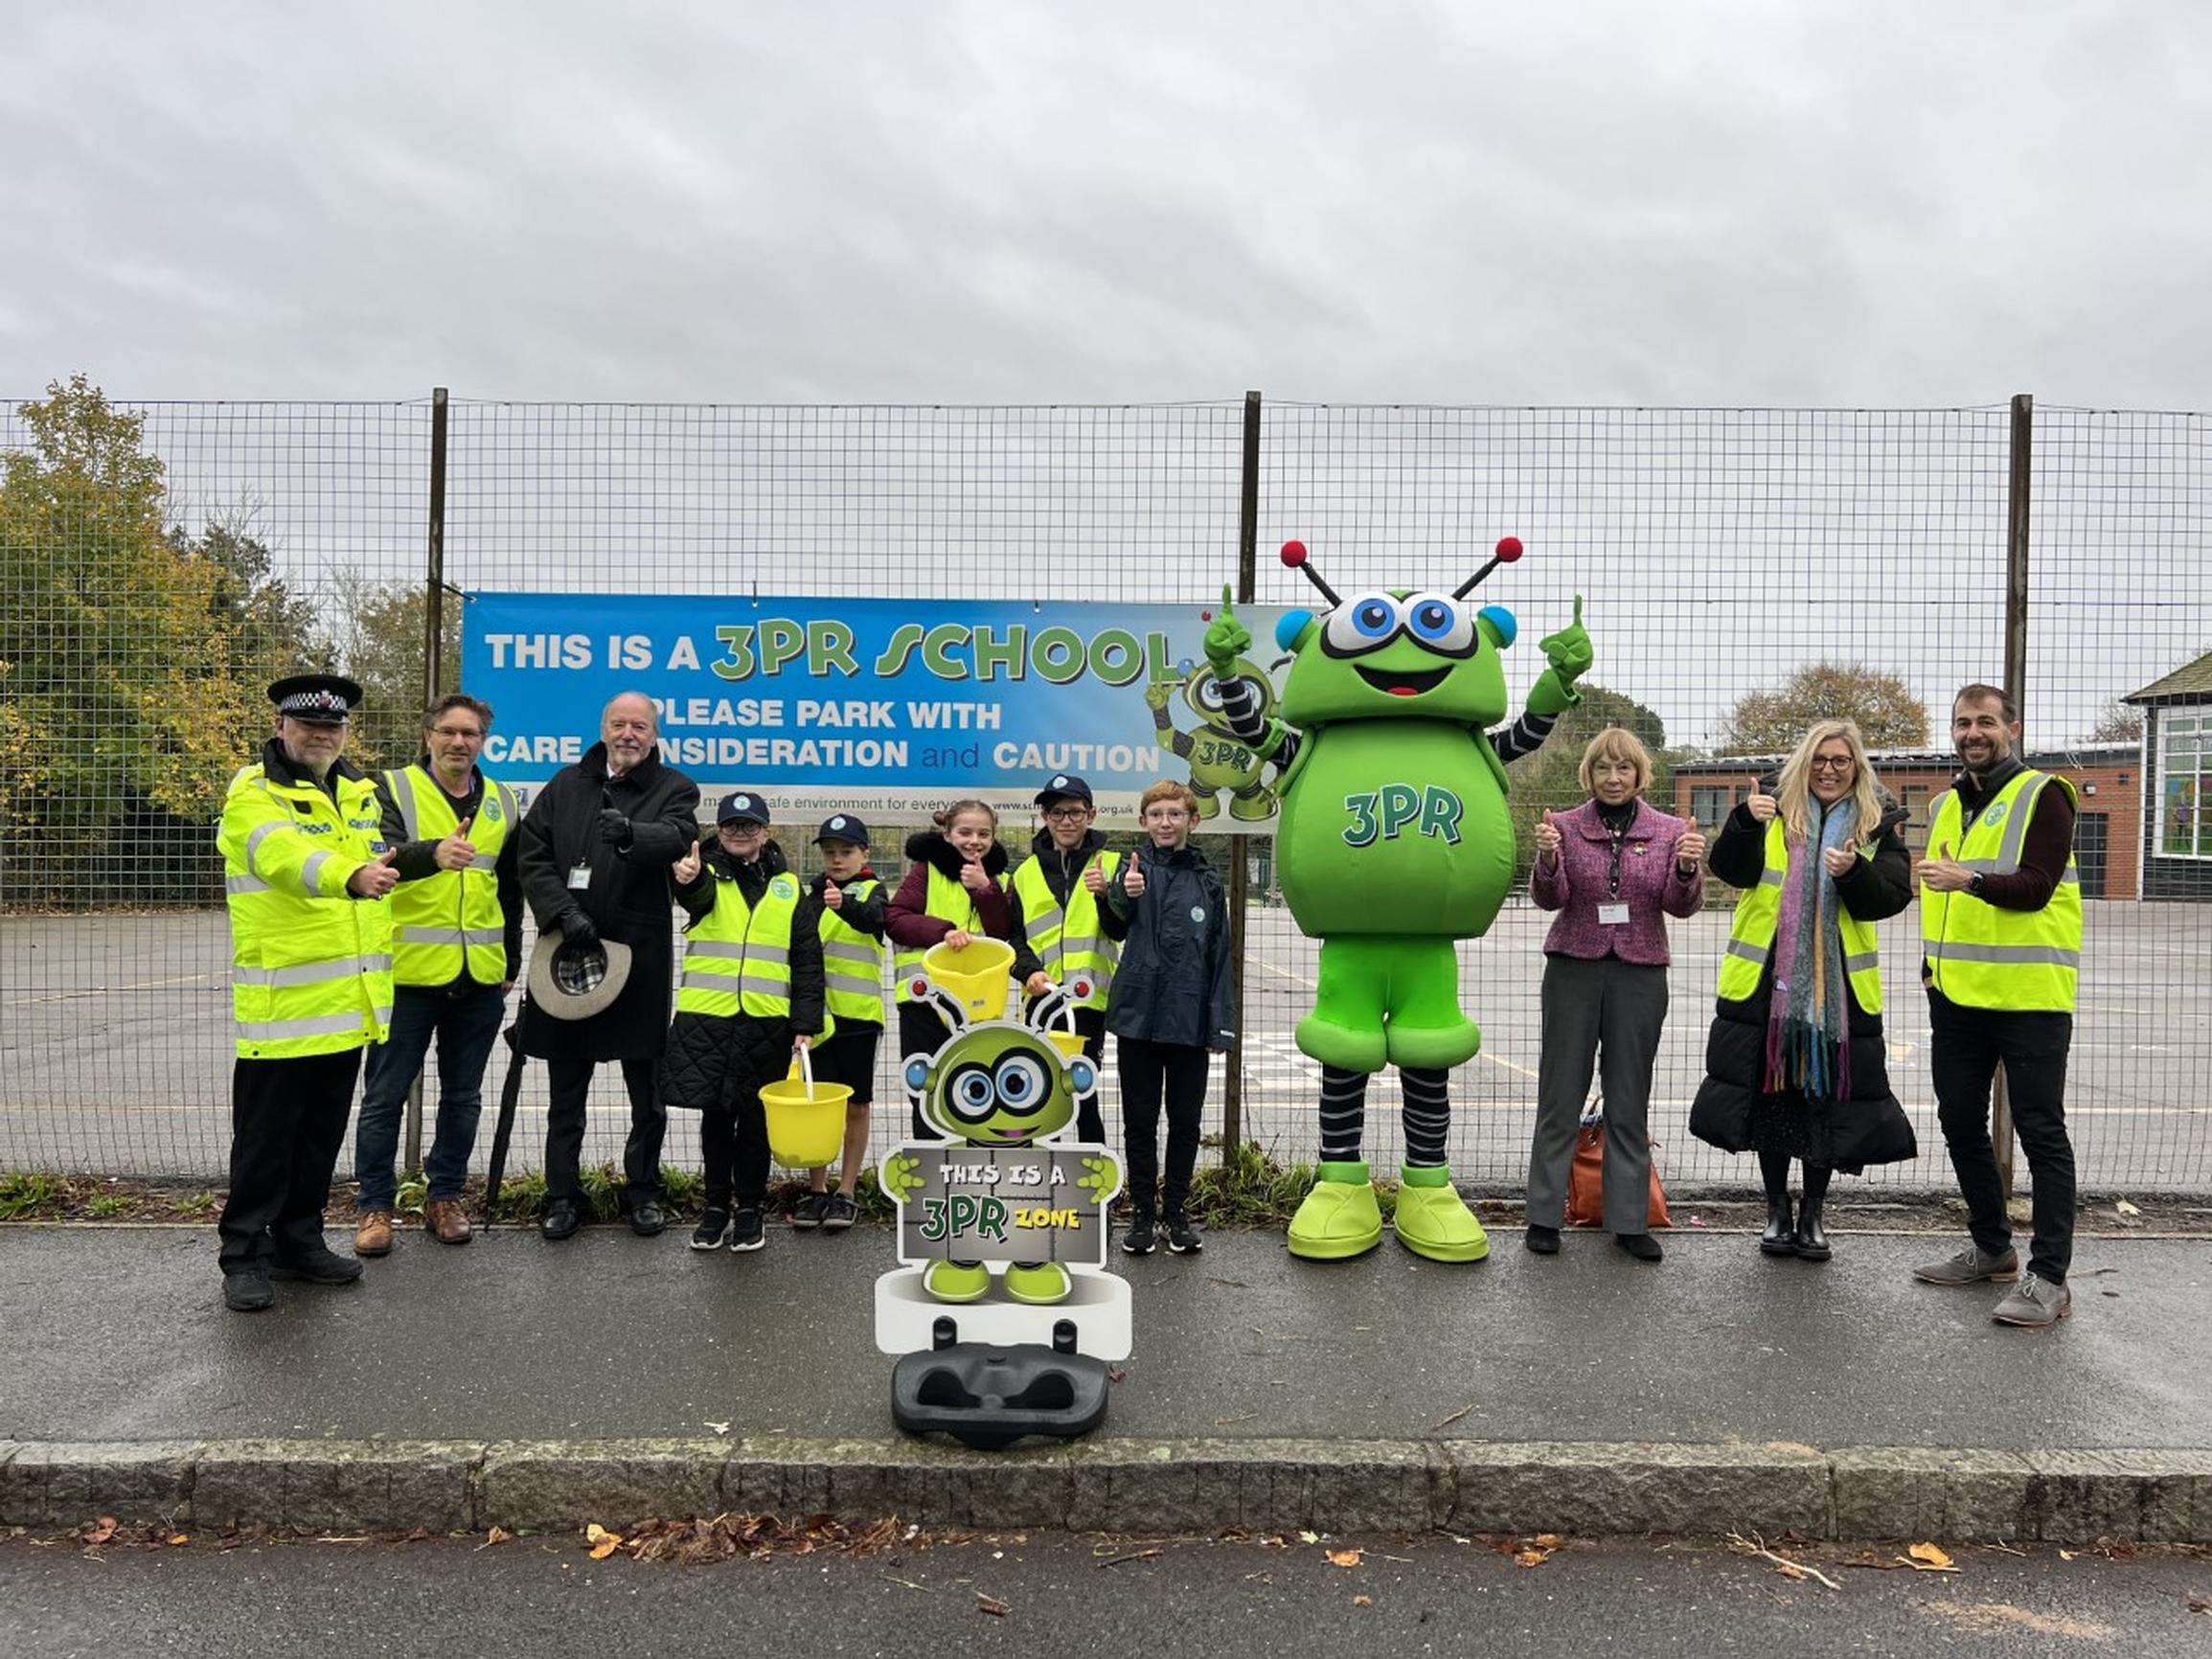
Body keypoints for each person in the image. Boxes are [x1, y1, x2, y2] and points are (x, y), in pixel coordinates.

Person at [1688, 721, 1917, 1261]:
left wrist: (1854, 873)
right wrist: (1744, 821)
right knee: (1773, 1101)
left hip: (1837, 994)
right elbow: (1730, 869)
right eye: (1819, 759)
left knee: (1822, 1103)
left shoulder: (1875, 823)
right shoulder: (1771, 811)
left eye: (1840, 760)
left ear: (1856, 767)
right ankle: (1775, 1212)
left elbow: (1890, 896)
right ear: (1803, 763)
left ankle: (1813, 1213)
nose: (1829, 769)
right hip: (1769, 986)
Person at [215, 673, 399, 1312]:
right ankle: (243, 1255)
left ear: (345, 731)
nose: (322, 734)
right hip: (283, 1011)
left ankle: (299, 1243)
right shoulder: (253, 794)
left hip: (347, 1008)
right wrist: (349, 875)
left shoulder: (358, 794)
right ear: (280, 728)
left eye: (333, 726)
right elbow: (282, 857)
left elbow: (380, 866)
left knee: (319, 1139)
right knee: (265, 1144)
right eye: (308, 725)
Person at [1912, 684, 2084, 1328]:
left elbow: (2037, 887)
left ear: (2012, 727)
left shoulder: (2044, 795)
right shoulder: (1946, 803)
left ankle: (2049, 1277)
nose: (1971, 732)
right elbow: (1938, 896)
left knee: (2040, 1132)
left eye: (1985, 721)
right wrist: (1929, 966)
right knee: (1958, 1119)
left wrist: (1971, 880)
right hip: (1956, 997)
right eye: (1961, 722)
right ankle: (1991, 1248)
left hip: (2029, 997)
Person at [515, 691, 699, 1241]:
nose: (628, 734)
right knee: (565, 1090)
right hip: (568, 952)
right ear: (602, 728)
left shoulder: (674, 787)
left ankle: (643, 1191)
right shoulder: (566, 785)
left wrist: (632, 836)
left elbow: (679, 837)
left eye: (639, 726)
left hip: (638, 959)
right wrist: (562, 912)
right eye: (619, 724)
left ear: (653, 734)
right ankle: (562, 1195)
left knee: (647, 1092)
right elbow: (532, 855)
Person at [352, 693, 523, 1255]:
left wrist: (511, 961)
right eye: (448, 732)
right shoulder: (390, 789)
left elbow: (511, 887)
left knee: (464, 1096)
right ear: (428, 735)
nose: (459, 743)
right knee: (384, 1096)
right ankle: (374, 1207)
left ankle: (444, 1196)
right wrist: (431, 854)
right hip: (407, 973)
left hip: (479, 976)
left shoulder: (501, 801)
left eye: (470, 734)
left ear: (483, 741)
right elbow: (376, 858)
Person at [1524, 728, 1704, 1262]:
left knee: (1629, 1097)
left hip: (1640, 973)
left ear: (1639, 774)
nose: (1613, 777)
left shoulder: (1671, 831)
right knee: (1561, 1094)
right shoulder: (1562, 827)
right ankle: (1542, 1215)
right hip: (1573, 970)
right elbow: (1548, 898)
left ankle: (1629, 1221)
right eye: (1603, 768)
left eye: (1623, 768)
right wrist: (1549, 861)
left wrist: (1689, 867)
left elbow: (1679, 905)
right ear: (1589, 774)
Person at [661, 792, 829, 1253]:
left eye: (749, 826)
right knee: (715, 1119)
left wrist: (805, 1022)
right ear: (718, 831)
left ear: (766, 832)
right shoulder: (705, 873)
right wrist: (688, 880)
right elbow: (693, 898)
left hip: (767, 1022)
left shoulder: (790, 888)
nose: (740, 833)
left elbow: (808, 962)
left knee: (756, 1123)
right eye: (731, 826)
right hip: (709, 1019)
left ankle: (751, 1209)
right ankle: (716, 1208)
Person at [1103, 780, 1237, 1255]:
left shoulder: (1208, 880)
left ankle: (1176, 1213)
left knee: (1185, 1122)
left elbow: (1220, 954)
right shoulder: (1130, 870)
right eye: (1156, 814)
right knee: (1140, 1121)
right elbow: (1114, 925)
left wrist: (1220, 1023)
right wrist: (1121, 893)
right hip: (1138, 1018)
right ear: (1143, 822)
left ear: (1192, 821)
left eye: (1174, 814)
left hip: (1188, 1021)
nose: (1165, 822)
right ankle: (1141, 1214)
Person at [884, 799, 1016, 1137]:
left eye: (984, 834)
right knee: (928, 1089)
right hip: (926, 1002)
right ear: (947, 835)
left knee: (975, 1091)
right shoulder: (925, 871)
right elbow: (896, 919)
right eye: (965, 832)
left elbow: (1003, 933)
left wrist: (984, 890)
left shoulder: (998, 878)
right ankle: (931, 1174)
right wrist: (942, 932)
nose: (975, 841)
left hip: (978, 1004)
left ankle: (969, 1173)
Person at [1008, 773, 1127, 1144]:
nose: (1066, 821)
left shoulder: (1112, 864)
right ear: (1045, 817)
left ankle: (1094, 1182)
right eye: (1056, 813)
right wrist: (1029, 973)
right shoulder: (1024, 874)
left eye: (1075, 812)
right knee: (1042, 1094)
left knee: (1082, 1092)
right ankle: (1046, 1181)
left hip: (1089, 1002)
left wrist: (1107, 897)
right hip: (1041, 1000)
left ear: (1091, 815)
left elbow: (1121, 929)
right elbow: (1013, 939)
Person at [791, 813, 886, 1231]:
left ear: (864, 854)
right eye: (830, 853)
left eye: (846, 852)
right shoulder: (807, 896)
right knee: (817, 1107)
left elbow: (875, 921)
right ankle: (817, 1190)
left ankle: (846, 1191)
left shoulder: (874, 892)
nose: (837, 859)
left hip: (859, 1017)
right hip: (816, 1021)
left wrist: (844, 904)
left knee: (856, 1105)